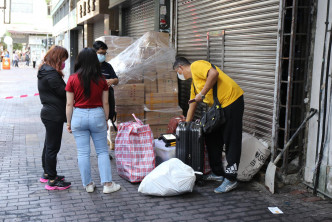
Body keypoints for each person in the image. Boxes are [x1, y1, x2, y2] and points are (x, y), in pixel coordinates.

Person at [173, 57, 244, 193]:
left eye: (178, 72)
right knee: (211, 135)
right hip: (219, 108)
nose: (180, 76)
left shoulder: (196, 66)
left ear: (181, 68)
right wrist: (186, 127)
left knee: (231, 139)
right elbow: (192, 104)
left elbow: (214, 73)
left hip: (232, 100)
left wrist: (202, 93)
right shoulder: (194, 83)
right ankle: (217, 172)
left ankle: (231, 178)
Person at [65, 48, 121, 194]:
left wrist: (69, 122)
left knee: (83, 153)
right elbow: (106, 103)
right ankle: (108, 185)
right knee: (102, 151)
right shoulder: (101, 79)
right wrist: (106, 118)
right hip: (97, 115)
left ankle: (88, 184)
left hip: (78, 116)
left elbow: (69, 104)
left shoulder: (72, 78)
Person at [37, 45, 71, 190]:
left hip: (49, 113)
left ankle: (47, 173)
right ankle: (52, 180)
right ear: (58, 58)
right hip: (53, 115)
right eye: (63, 59)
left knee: (48, 145)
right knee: (52, 147)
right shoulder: (51, 74)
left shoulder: (44, 70)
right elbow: (64, 93)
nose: (64, 63)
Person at [93, 41, 118, 126]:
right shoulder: (89, 66)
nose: (102, 55)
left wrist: (113, 81)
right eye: (100, 53)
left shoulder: (108, 66)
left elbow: (116, 80)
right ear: (94, 52)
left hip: (106, 100)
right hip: (94, 101)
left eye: (104, 53)